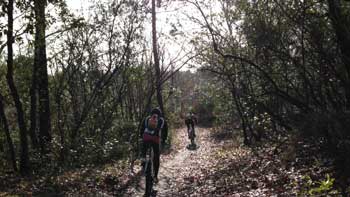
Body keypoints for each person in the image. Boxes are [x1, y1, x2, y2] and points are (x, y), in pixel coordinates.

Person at [140, 107, 168, 184]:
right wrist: (164, 140)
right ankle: (155, 176)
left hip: (146, 139)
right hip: (155, 140)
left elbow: (142, 129)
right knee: (156, 157)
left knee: (144, 149)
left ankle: (143, 159)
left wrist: (141, 136)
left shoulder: (147, 119)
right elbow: (165, 131)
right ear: (160, 114)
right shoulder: (161, 120)